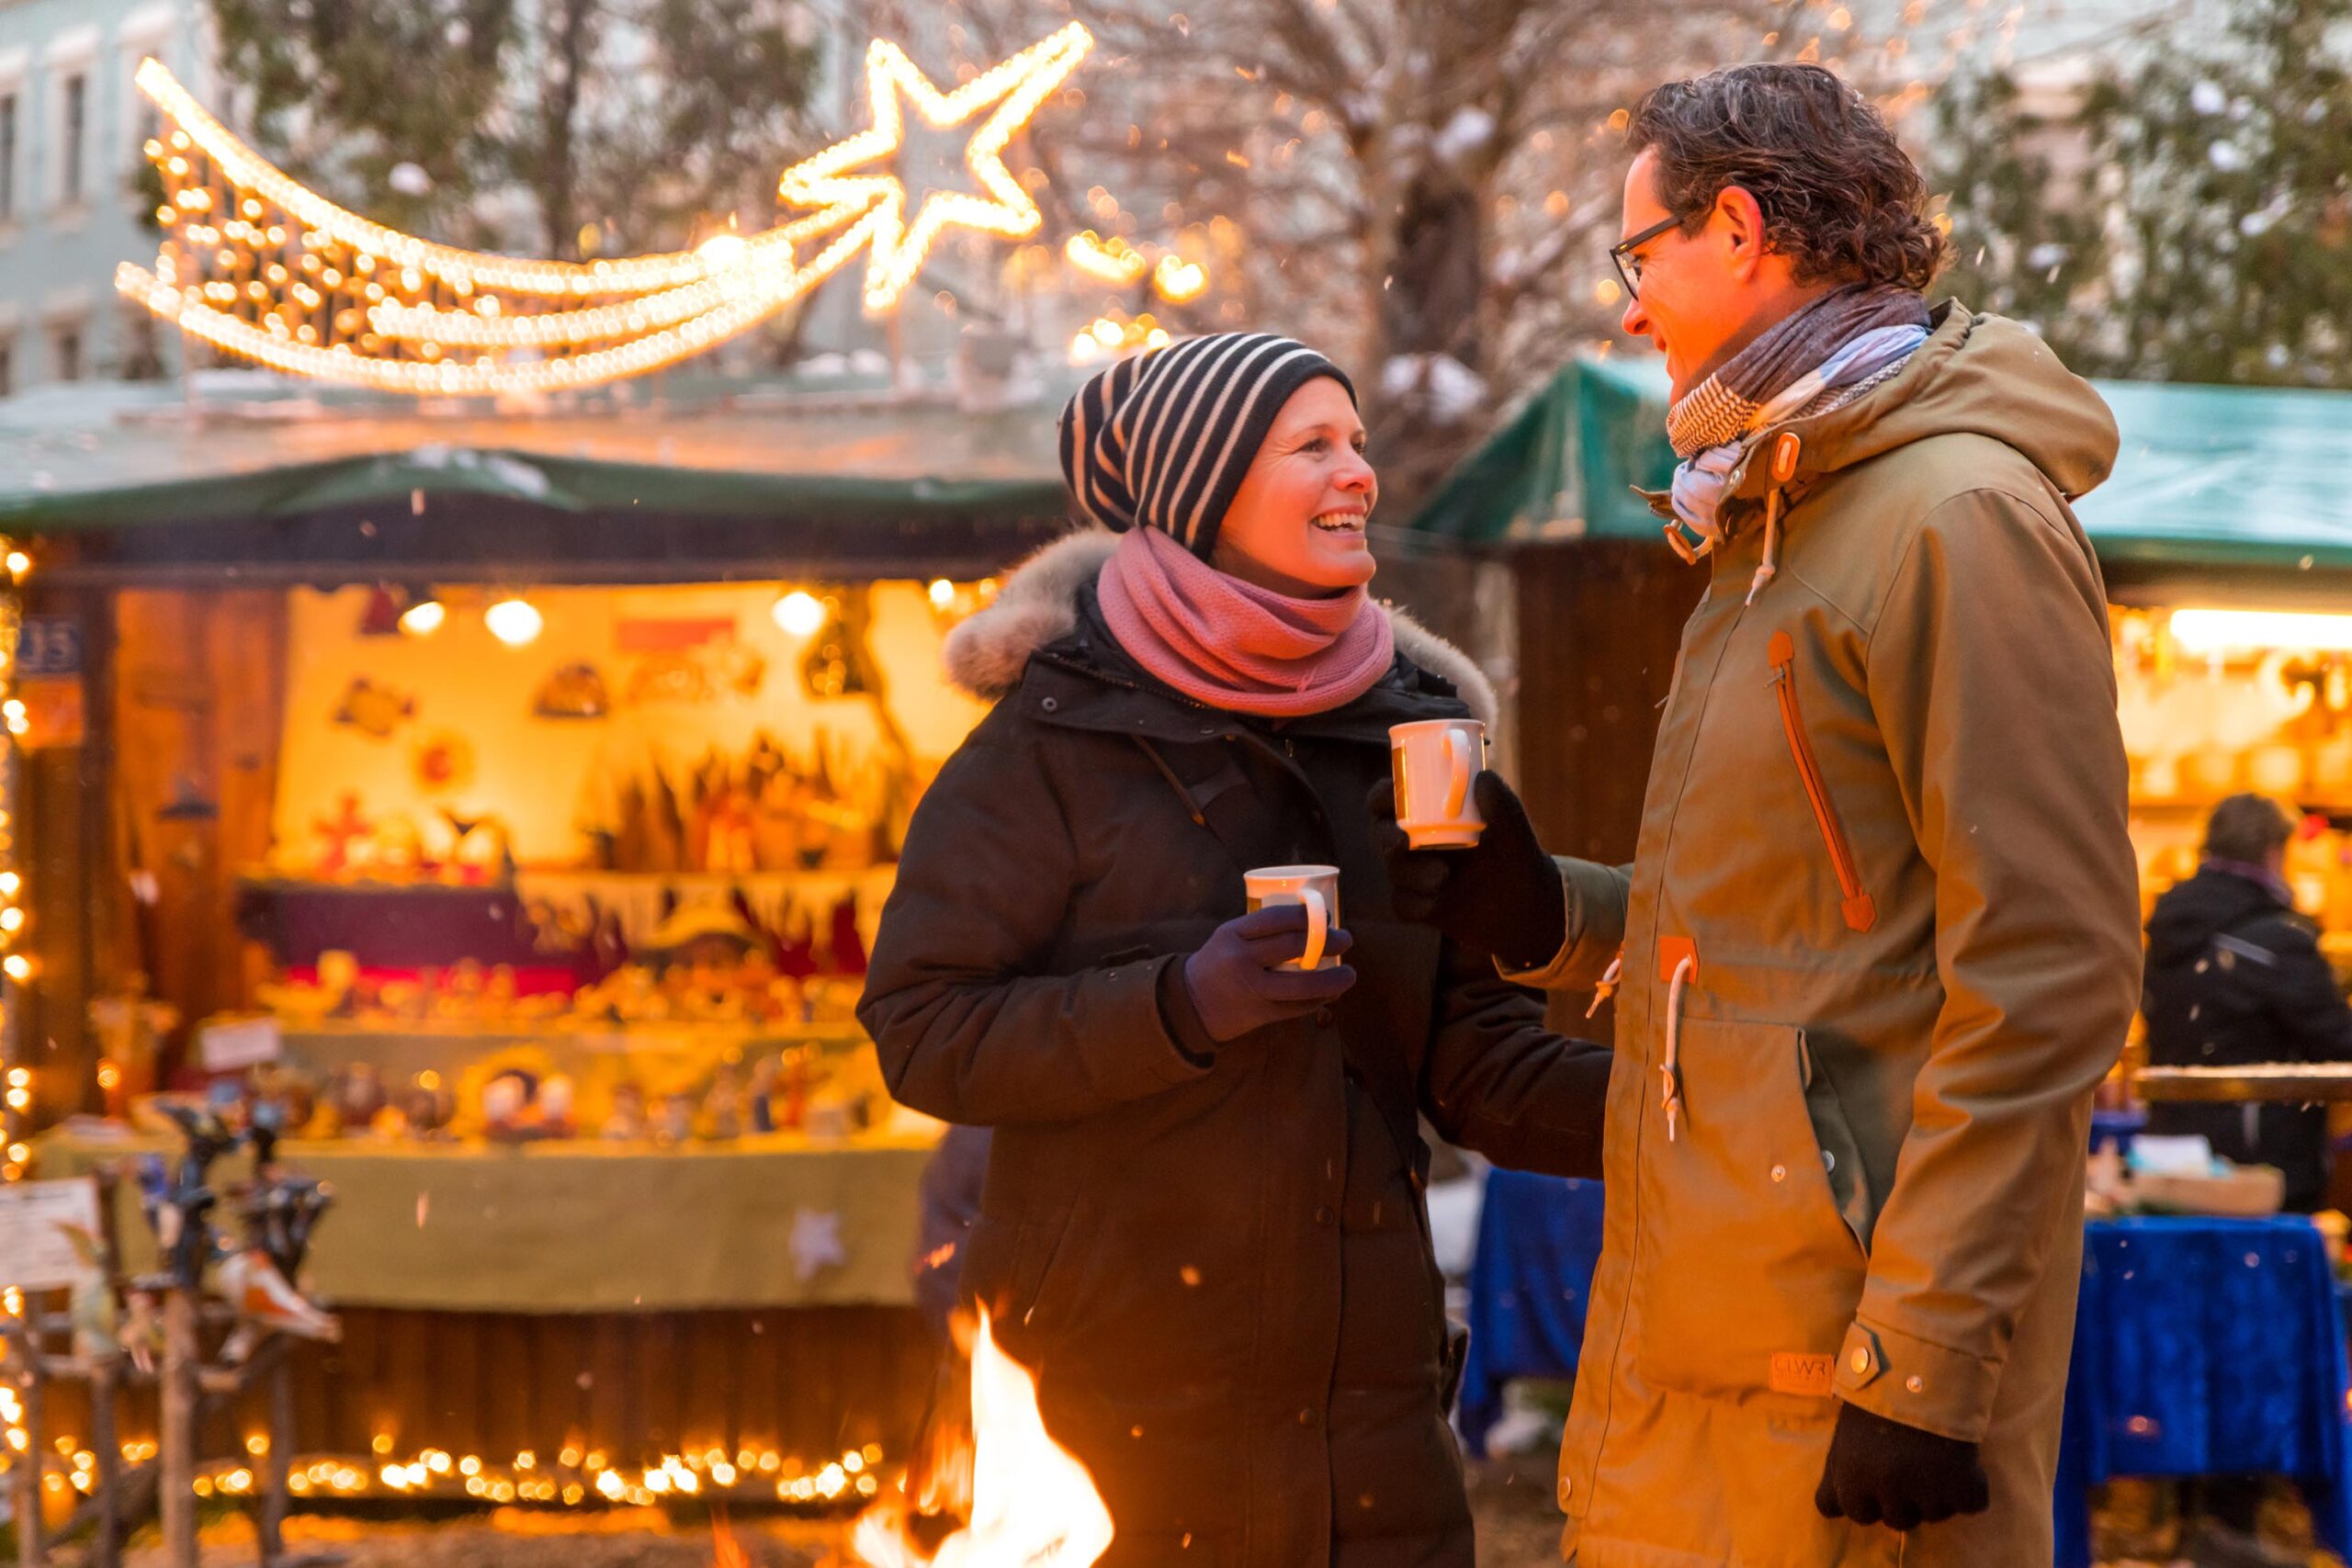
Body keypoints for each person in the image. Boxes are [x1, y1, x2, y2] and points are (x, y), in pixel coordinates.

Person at [1373, 64, 2142, 1565]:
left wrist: (1923, 1358)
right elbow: (1791, 945)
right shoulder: (1774, 516)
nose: (1628, 307)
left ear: (1736, 228)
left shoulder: (1954, 517)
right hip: (1718, 1343)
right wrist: (1557, 913)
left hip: (1837, 1367)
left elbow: (2047, 973)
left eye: (1636, 255)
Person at [858, 332, 1611, 1568]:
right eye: (1312, 445)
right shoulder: (1055, 738)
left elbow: (1476, 1066)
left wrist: (1697, 1110)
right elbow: (925, 1026)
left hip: (1369, 1442)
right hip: (1108, 1430)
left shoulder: (1412, 735)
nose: (1358, 472)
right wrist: (1179, 1003)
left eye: (1358, 441)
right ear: (1202, 488)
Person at [2145, 794, 2352, 1214]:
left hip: (2173, 1152)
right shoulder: (2276, 941)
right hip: (2259, 1166)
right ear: (2274, 852)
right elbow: (2339, 1040)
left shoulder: (2169, 930)